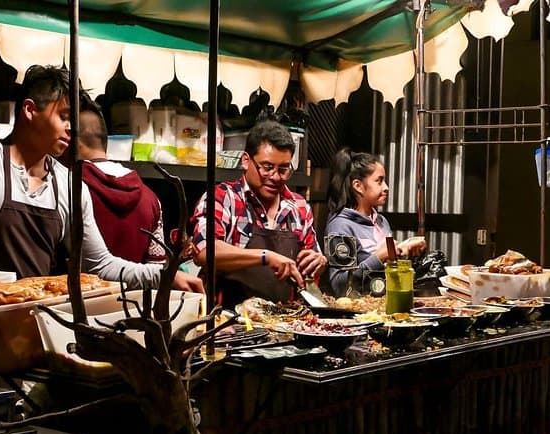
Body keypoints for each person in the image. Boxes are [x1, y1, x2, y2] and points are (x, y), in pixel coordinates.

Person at [0, 64, 202, 293]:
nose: (73, 128)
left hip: (38, 329)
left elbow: (100, 265)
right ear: (30, 110)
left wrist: (165, 276)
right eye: (64, 116)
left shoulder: (71, 187)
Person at [190, 120, 326, 308]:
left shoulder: (299, 206)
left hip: (283, 321)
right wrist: (265, 256)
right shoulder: (223, 198)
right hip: (228, 322)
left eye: (283, 169)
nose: (276, 177)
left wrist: (318, 260)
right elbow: (205, 252)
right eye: (267, 167)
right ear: (246, 161)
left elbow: (312, 259)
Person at [59, 97, 166, 264]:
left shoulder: (66, 188)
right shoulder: (151, 199)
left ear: (74, 142)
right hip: (133, 289)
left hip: (76, 289)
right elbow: (157, 267)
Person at [325, 148, 426, 296]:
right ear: (358, 186)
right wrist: (378, 257)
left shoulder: (381, 221)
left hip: (386, 306)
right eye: (379, 181)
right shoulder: (341, 226)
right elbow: (339, 285)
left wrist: (404, 251)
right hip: (358, 314)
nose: (386, 187)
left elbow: (387, 270)